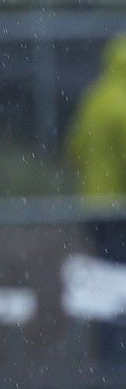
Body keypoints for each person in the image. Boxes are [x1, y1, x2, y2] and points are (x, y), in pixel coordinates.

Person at [65, 33, 126, 368]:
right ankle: (116, 359)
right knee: (119, 280)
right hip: (119, 207)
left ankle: (108, 355)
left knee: (107, 279)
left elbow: (73, 149)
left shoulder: (95, 99)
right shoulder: (123, 104)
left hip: (94, 206)